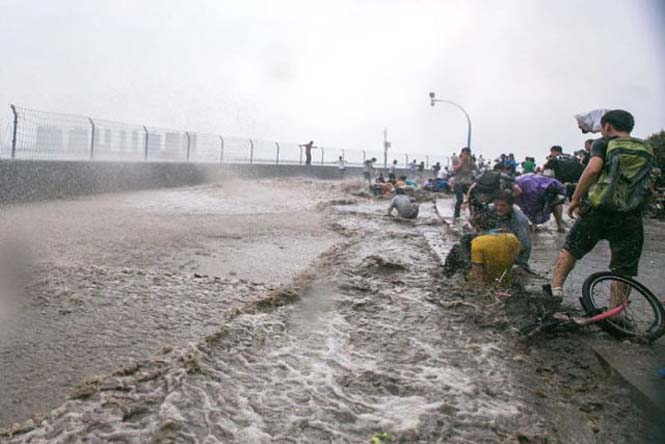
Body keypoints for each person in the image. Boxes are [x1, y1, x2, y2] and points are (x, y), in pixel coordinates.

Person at [550, 110, 654, 304]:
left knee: (571, 249)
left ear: (606, 126)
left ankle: (555, 291)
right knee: (623, 268)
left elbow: (593, 169)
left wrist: (575, 198)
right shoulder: (646, 148)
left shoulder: (603, 143)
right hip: (631, 215)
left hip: (599, 211)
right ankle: (615, 314)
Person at [486, 190, 532, 271]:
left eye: (503, 206)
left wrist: (521, 264)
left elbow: (525, 246)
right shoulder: (489, 209)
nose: (499, 208)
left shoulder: (519, 219)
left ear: (510, 205)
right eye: (496, 205)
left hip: (511, 245)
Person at [452, 147, 477, 219]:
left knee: (472, 198)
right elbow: (455, 169)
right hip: (458, 183)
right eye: (465, 153)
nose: (466, 155)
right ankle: (456, 215)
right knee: (460, 199)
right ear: (461, 153)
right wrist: (462, 161)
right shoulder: (456, 159)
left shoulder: (469, 162)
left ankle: (473, 214)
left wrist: (471, 160)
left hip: (467, 183)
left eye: (468, 154)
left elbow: (475, 167)